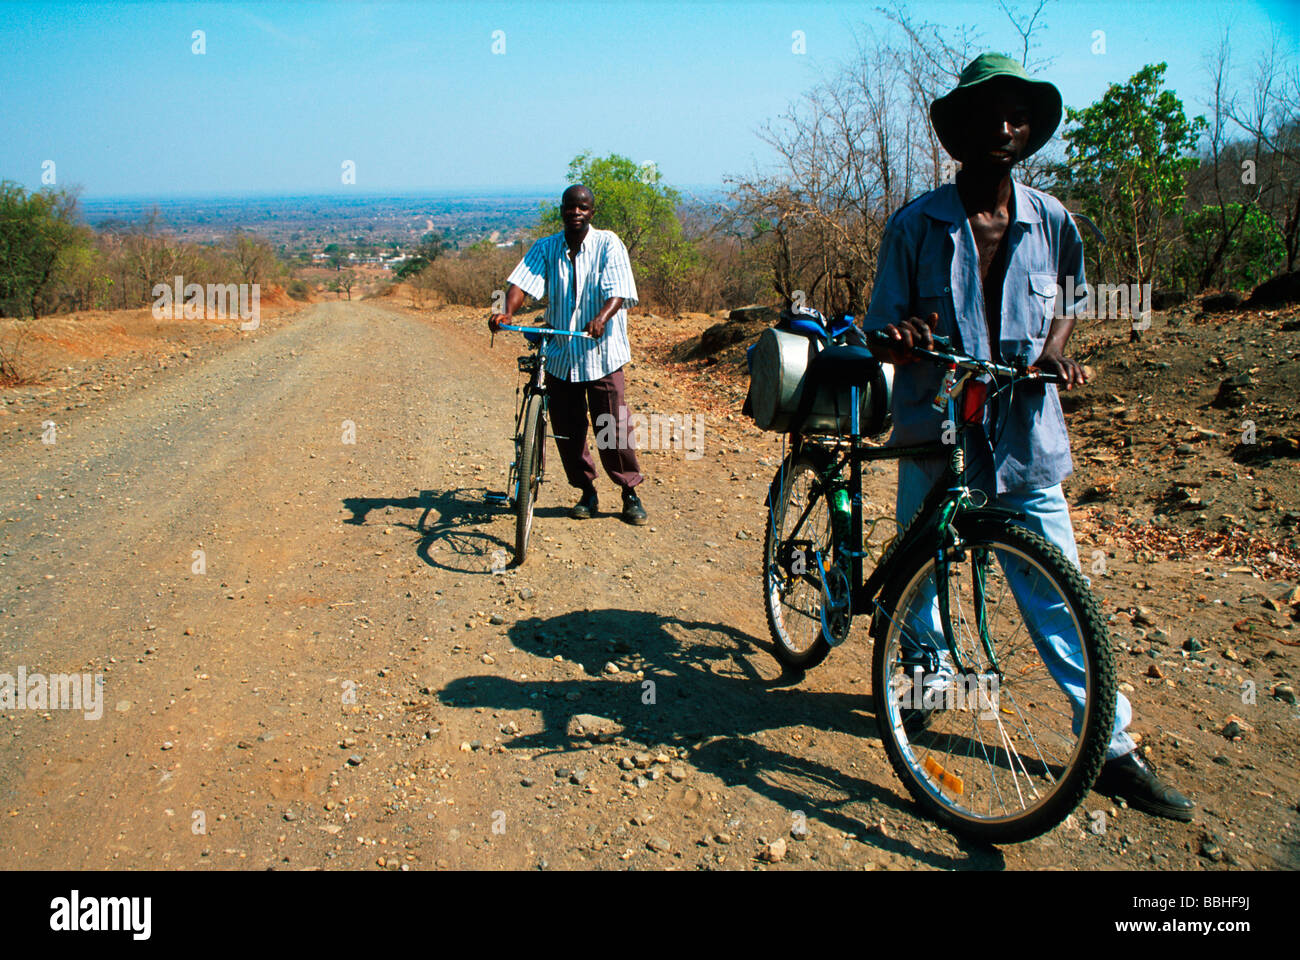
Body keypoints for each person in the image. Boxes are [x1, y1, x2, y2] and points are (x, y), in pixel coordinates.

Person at [862, 52, 1193, 822]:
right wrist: (901, 337)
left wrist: (1054, 348)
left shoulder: (1055, 222)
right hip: (937, 430)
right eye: (987, 116)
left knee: (1055, 586)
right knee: (926, 568)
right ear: (960, 133)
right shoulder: (916, 225)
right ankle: (926, 682)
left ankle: (1107, 745)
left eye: (1016, 117)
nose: (1003, 128)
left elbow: (1072, 293)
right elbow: (877, 328)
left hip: (1024, 435)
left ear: (1028, 132)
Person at [489, 184, 648, 525]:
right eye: (570, 207)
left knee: (612, 426)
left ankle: (629, 492)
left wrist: (602, 318)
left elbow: (619, 290)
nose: (576, 212)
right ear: (561, 209)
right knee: (568, 429)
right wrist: (505, 312)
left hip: (601, 353)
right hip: (562, 351)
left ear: (592, 212)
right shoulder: (546, 247)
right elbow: (521, 285)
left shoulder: (608, 243)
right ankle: (586, 491)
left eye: (583, 207)